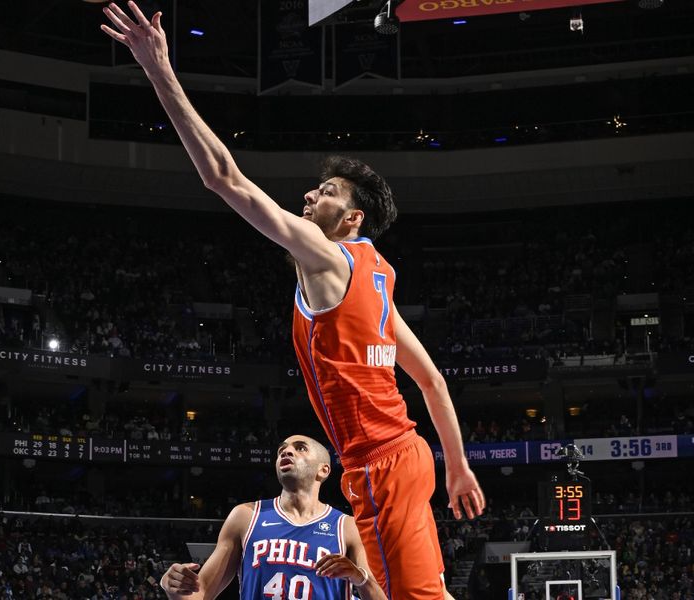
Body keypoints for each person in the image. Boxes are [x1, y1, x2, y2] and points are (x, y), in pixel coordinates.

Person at [101, 5, 486, 598]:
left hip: (381, 462)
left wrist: (159, 70)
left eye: (327, 191)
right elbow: (431, 381)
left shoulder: (330, 255)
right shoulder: (378, 283)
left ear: (352, 218)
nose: (310, 194)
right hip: (399, 458)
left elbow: (223, 178)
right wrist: (456, 466)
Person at [159, 435, 385, 600]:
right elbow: (202, 593)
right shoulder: (246, 516)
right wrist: (173, 588)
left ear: (323, 470)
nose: (286, 452)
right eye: (282, 450)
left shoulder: (346, 526)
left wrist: (358, 576)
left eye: (300, 448)